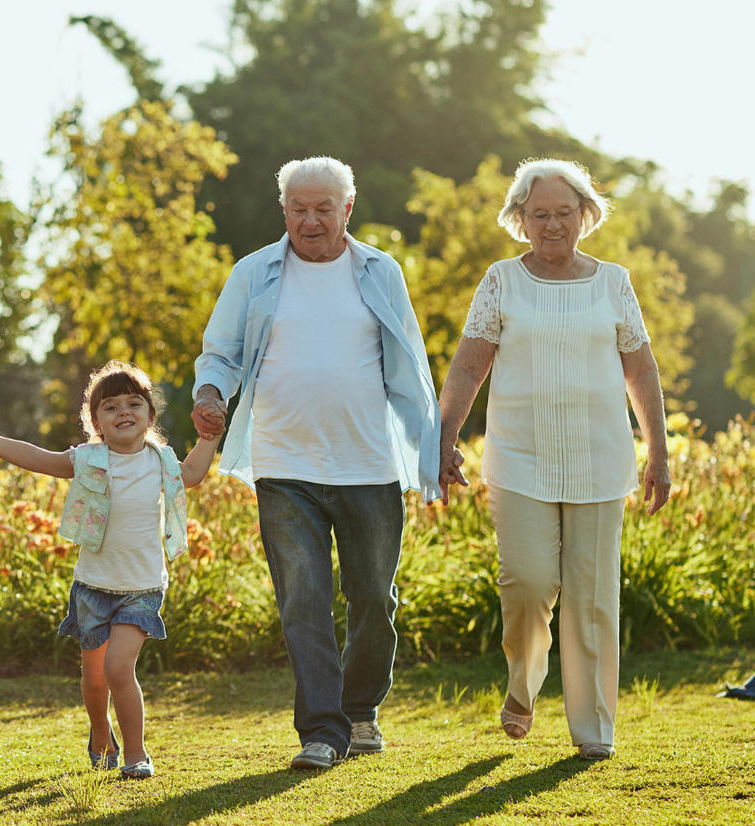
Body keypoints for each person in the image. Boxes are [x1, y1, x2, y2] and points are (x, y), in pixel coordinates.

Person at [191, 156, 441, 770]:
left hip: (368, 464)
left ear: (346, 210)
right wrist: (208, 395)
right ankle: (323, 732)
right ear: (285, 211)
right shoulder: (255, 272)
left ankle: (360, 710)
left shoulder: (381, 271)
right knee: (303, 600)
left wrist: (435, 443)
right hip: (284, 462)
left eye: (322, 208)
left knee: (373, 600)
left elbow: (410, 371)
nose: (309, 219)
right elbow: (218, 353)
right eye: (298, 208)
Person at [437, 158, 670, 761]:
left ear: (585, 215)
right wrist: (444, 437)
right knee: (528, 582)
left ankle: (593, 729)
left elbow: (640, 368)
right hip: (519, 456)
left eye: (564, 212)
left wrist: (658, 454)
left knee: (593, 597)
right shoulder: (501, 281)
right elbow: (468, 365)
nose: (552, 225)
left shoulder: (614, 282)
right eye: (538, 214)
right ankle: (522, 686)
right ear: (520, 219)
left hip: (600, 457)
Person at [0, 361, 219, 779]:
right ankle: (100, 729)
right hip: (93, 586)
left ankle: (137, 754)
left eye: (134, 403)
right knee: (95, 680)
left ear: (150, 416)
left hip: (142, 587)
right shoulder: (88, 459)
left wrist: (209, 437)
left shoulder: (160, 461)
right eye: (111, 406)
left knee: (119, 668)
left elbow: (193, 473)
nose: (124, 412)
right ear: (95, 421)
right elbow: (39, 457)